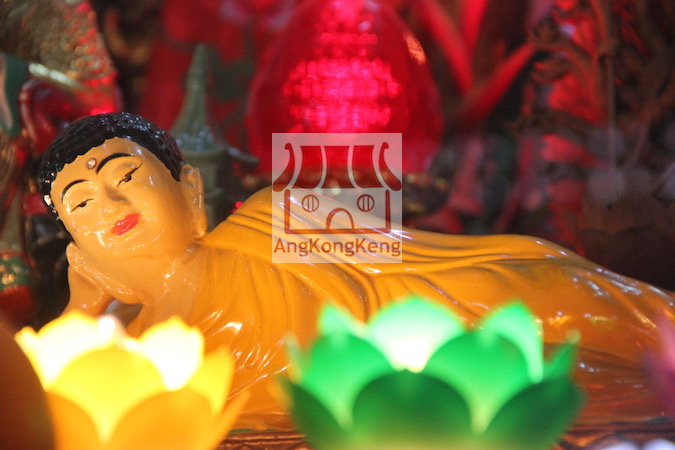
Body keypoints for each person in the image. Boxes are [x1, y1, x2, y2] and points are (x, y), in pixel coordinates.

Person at [39, 112, 674, 430]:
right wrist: (80, 307)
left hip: (453, 323)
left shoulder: (272, 213)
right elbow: (47, 413)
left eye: (127, 176)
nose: (111, 205)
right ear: (73, 242)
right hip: (405, 411)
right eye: (81, 204)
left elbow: (420, 249)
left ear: (190, 189)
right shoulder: (130, 344)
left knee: (560, 305)